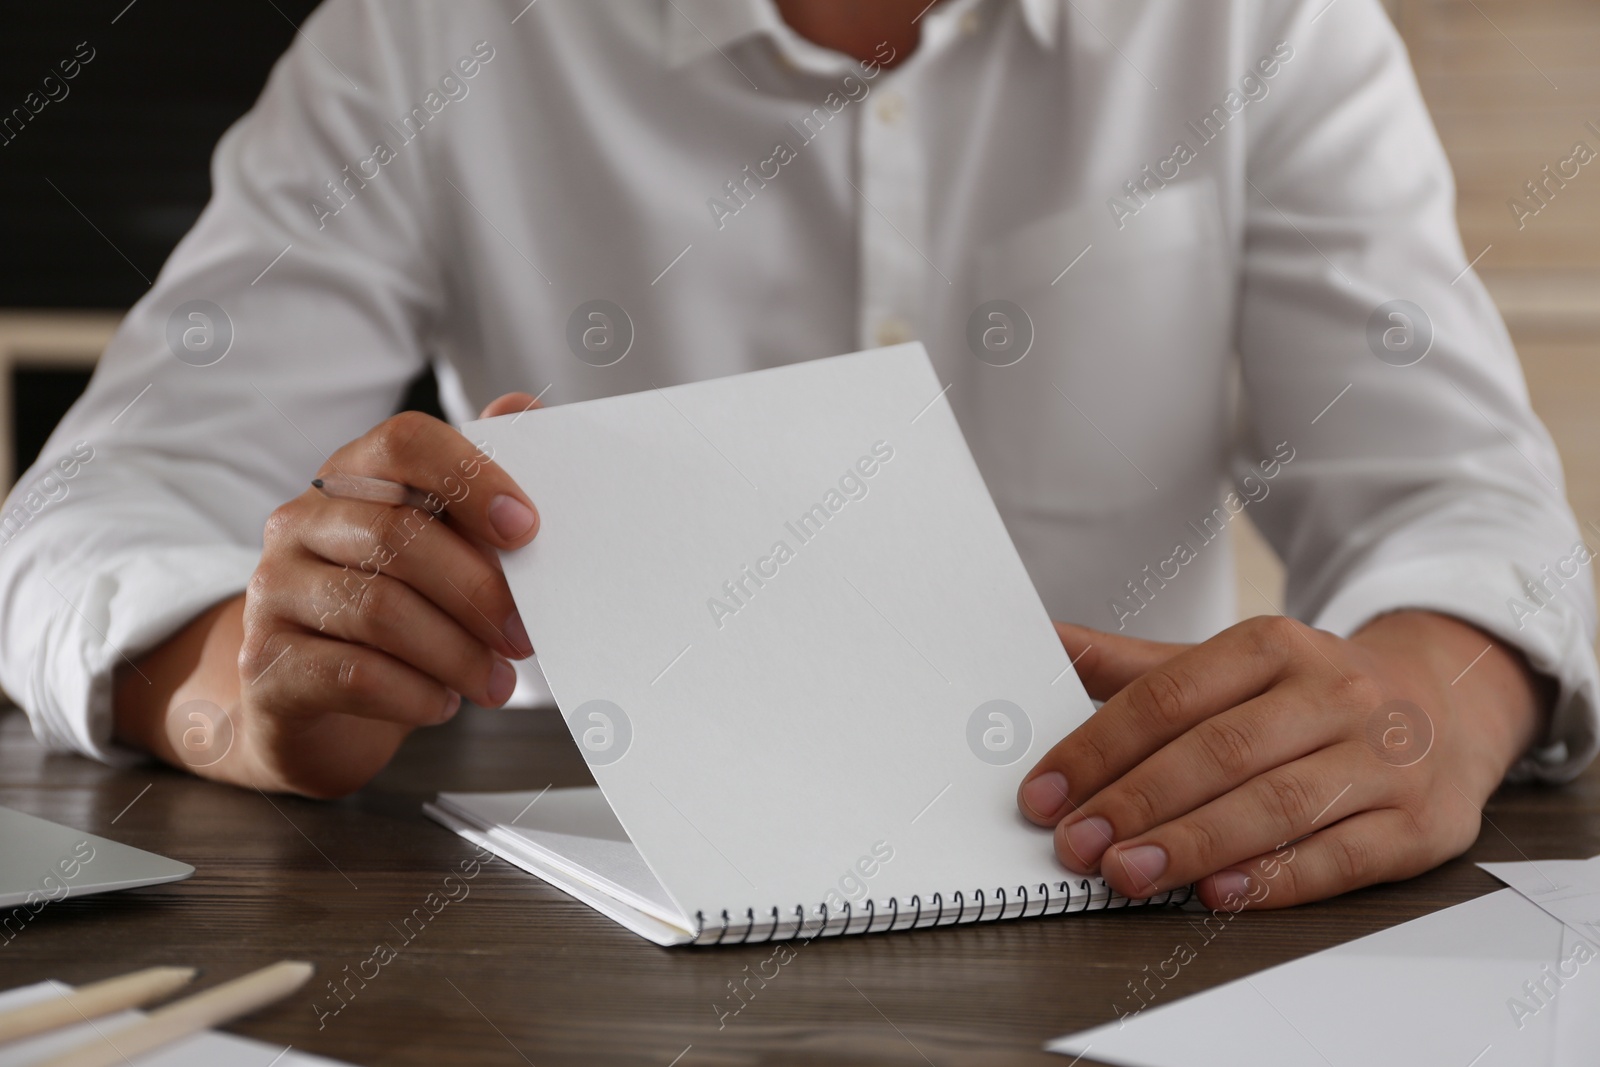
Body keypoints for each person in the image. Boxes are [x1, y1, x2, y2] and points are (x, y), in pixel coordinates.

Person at [2, 0, 1594, 915]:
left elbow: (1457, 497)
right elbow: (93, 507)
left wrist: (1430, 695)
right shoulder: (433, 26)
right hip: (577, 917)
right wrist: (237, 679)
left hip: (1135, 876)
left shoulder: (1266, 21)